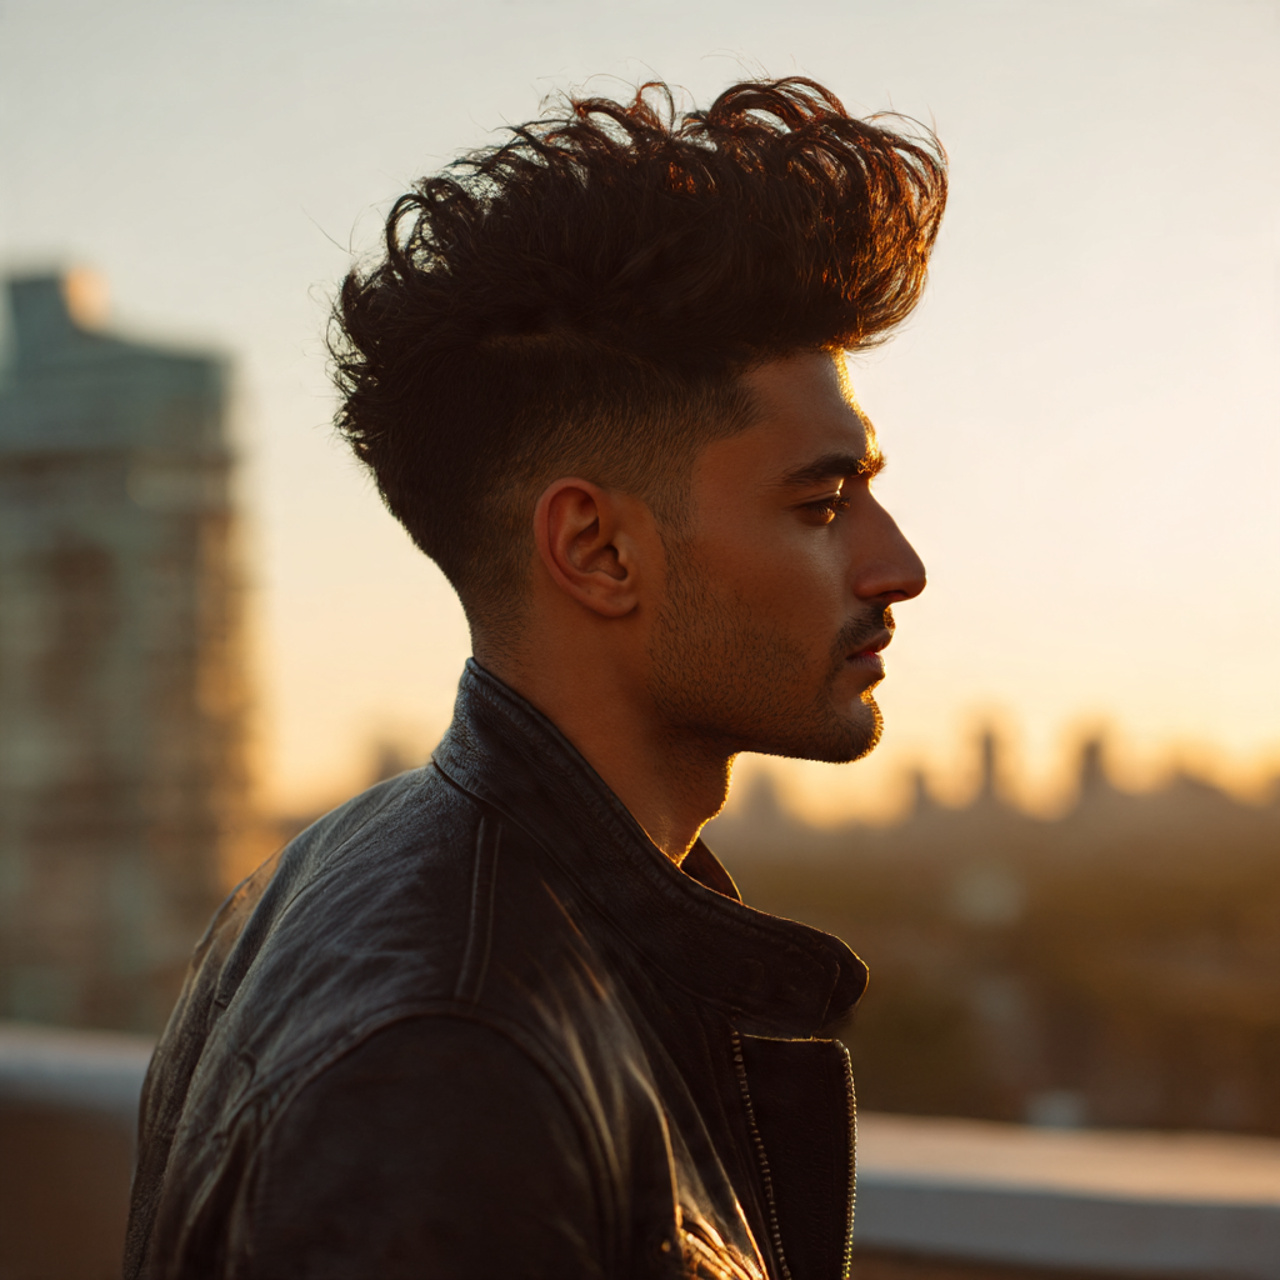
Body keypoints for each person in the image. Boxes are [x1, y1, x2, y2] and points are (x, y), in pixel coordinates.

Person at [124, 76, 945, 1279]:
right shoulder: (450, 1075)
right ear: (597, 549)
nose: (898, 566)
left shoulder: (339, 875)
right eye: (819, 503)